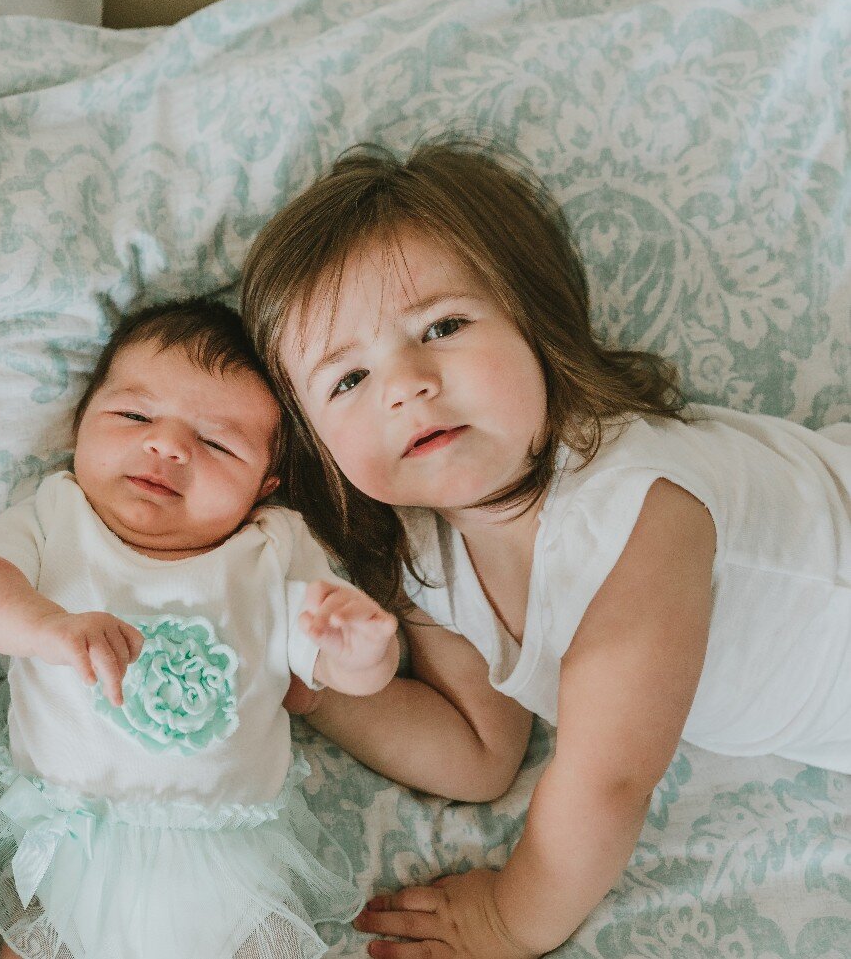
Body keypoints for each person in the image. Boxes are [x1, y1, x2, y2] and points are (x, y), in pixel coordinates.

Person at [238, 139, 851, 959]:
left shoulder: (636, 510)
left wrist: (508, 917)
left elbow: (608, 780)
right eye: (347, 380)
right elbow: (481, 751)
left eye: (442, 326)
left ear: (536, 319)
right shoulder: (430, 550)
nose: (405, 381)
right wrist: (304, 682)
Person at [0, 298, 399, 959]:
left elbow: (333, 666)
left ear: (264, 484)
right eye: (133, 415)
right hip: (74, 842)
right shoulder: (56, 512)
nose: (166, 444)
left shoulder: (272, 548)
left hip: (232, 859)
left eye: (215, 441)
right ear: (80, 423)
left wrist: (366, 652)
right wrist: (51, 626)